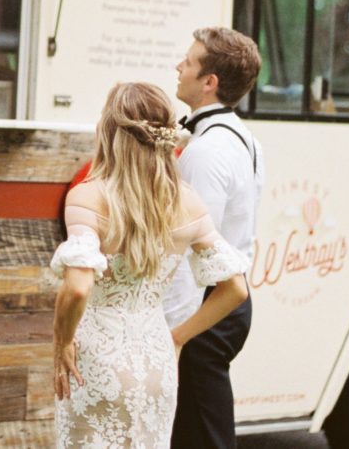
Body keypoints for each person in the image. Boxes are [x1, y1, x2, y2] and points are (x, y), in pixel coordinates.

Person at [52, 82, 250, 448]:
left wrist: (62, 342)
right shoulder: (188, 203)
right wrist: (178, 338)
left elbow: (78, 287)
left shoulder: (88, 197)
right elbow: (236, 288)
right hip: (157, 357)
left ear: (111, 132)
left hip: (96, 360)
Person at [166, 27, 264, 449]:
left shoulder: (207, 151)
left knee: (203, 436)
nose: (178, 66)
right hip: (226, 302)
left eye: (188, 61)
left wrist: (176, 332)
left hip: (209, 305)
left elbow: (192, 248)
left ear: (209, 82)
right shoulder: (242, 137)